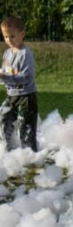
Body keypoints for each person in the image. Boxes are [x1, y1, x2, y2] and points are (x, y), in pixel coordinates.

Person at [0, 16, 38, 151]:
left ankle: (30, 156)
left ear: (22, 34)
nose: (9, 40)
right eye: (5, 37)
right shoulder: (6, 54)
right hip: (11, 97)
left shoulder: (25, 54)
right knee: (3, 118)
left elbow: (27, 77)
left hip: (26, 98)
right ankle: (7, 149)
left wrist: (6, 77)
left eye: (12, 36)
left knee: (25, 128)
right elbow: (4, 72)